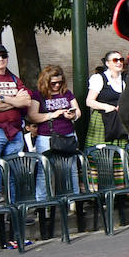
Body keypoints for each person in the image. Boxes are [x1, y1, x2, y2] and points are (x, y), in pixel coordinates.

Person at [29, 65, 81, 200]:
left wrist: (73, 116)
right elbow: (32, 116)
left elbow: (77, 111)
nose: (57, 85)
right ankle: (42, 203)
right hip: (47, 137)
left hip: (68, 134)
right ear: (46, 82)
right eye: (53, 83)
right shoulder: (38, 95)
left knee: (72, 169)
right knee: (44, 171)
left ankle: (73, 201)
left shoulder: (67, 93)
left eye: (60, 82)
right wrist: (52, 115)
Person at [85, 50, 128, 146]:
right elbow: (89, 101)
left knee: (121, 153)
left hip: (119, 121)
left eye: (121, 60)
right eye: (115, 60)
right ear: (107, 63)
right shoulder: (99, 78)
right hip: (102, 119)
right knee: (101, 153)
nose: (119, 62)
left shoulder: (125, 79)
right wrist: (106, 107)